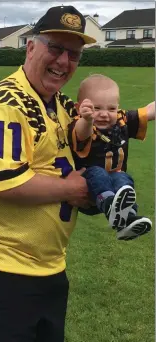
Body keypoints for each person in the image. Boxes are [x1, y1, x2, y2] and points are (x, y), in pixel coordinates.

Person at [0, 6, 96, 342]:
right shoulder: (7, 101)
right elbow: (8, 183)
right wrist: (76, 189)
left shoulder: (60, 106)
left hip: (48, 268)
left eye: (74, 54)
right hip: (0, 269)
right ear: (30, 48)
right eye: (55, 48)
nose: (64, 61)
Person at [68, 74, 153, 240]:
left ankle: (127, 220)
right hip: (87, 190)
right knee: (98, 172)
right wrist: (87, 119)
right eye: (97, 108)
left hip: (114, 183)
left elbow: (149, 111)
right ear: (80, 108)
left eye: (111, 109)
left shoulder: (121, 121)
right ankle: (109, 204)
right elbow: (81, 133)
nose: (105, 114)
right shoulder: (81, 122)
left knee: (123, 178)